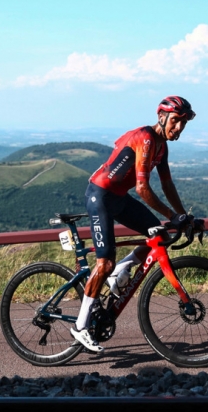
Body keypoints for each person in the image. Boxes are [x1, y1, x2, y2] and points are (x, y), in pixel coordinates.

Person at [70, 95, 196, 352]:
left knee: (158, 237)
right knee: (104, 263)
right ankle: (81, 326)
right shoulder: (147, 138)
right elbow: (142, 188)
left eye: (184, 123)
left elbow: (167, 184)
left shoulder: (162, 146)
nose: (179, 128)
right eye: (175, 121)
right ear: (162, 117)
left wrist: (183, 215)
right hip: (100, 196)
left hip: (119, 198)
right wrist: (173, 215)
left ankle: (121, 269)